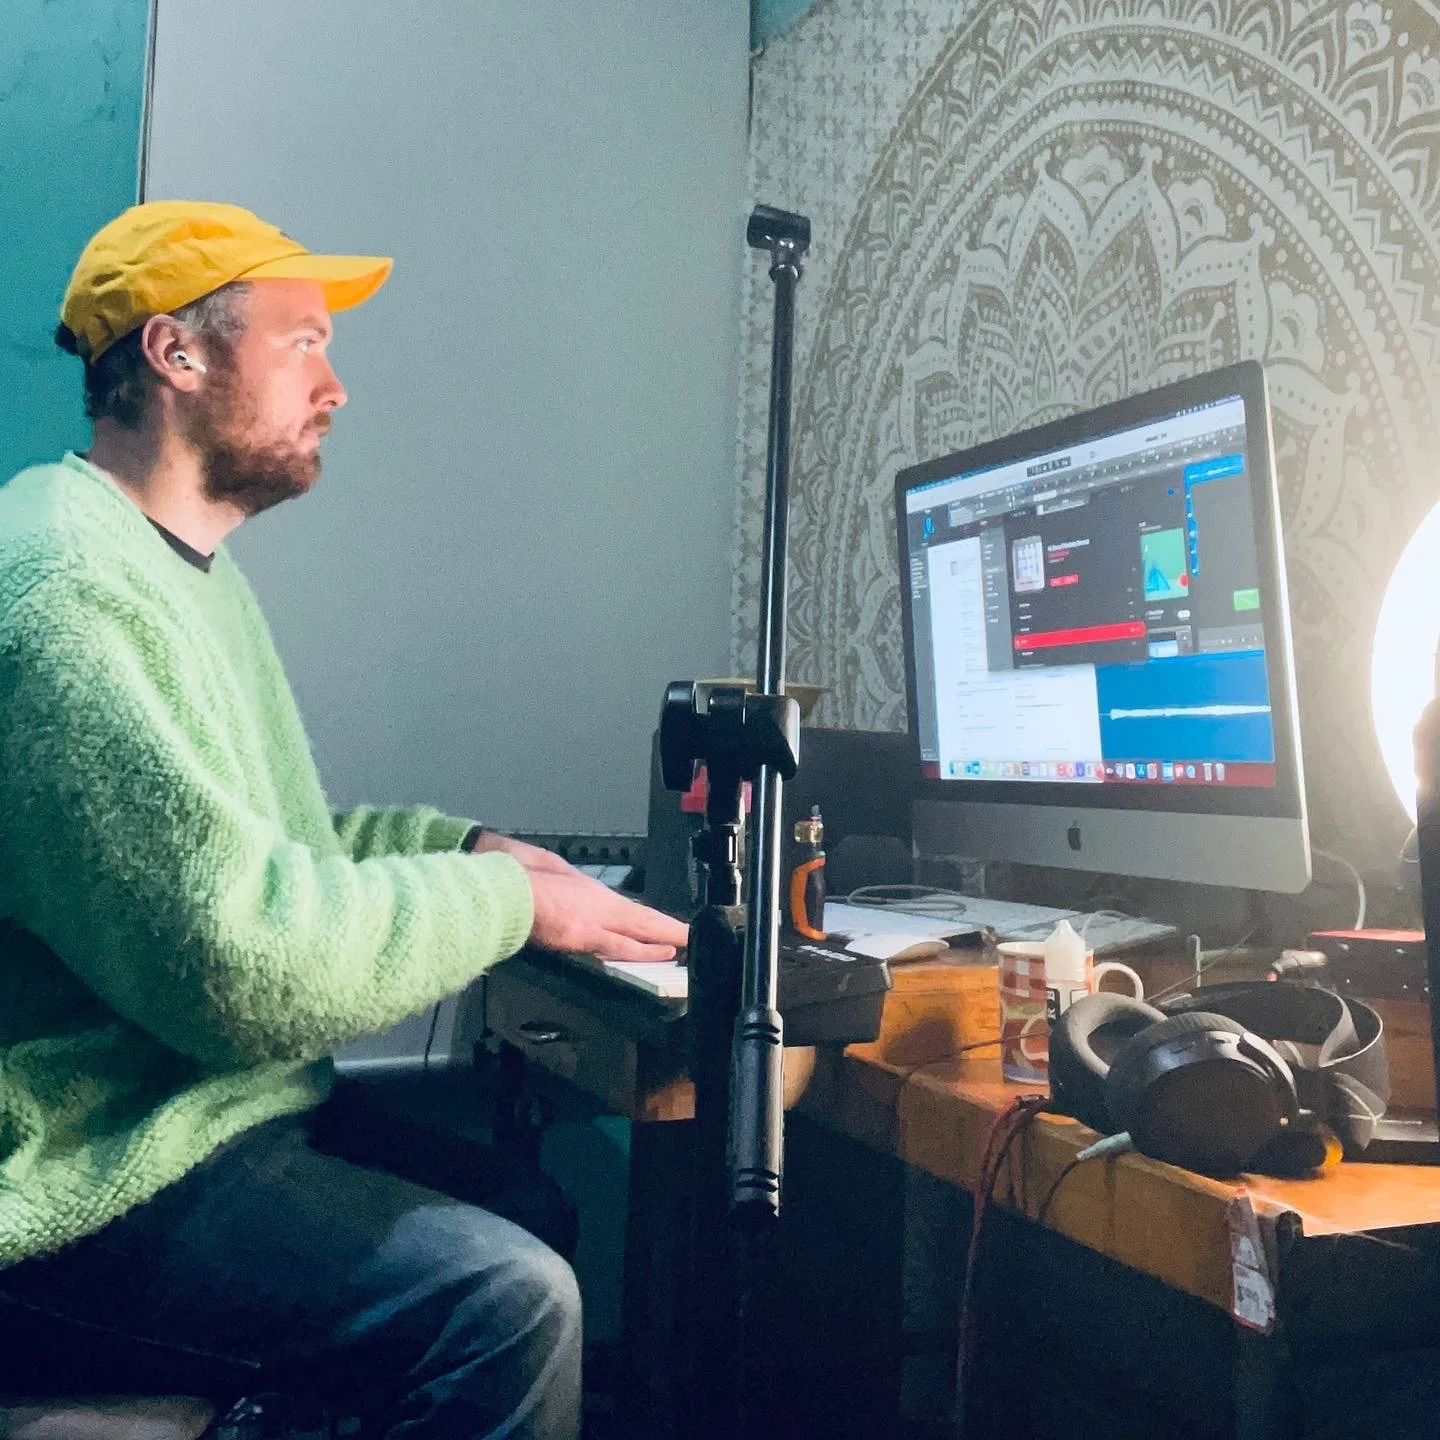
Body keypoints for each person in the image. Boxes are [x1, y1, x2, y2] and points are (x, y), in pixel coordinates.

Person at [0, 201, 689, 1438]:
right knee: (506, 1300)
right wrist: (514, 901)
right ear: (177, 353)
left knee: (533, 1210)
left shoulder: (168, 566)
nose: (338, 386)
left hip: (196, 1108)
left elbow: (272, 846)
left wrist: (465, 851)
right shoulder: (64, 594)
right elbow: (238, 959)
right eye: (304, 342)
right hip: (76, 1165)